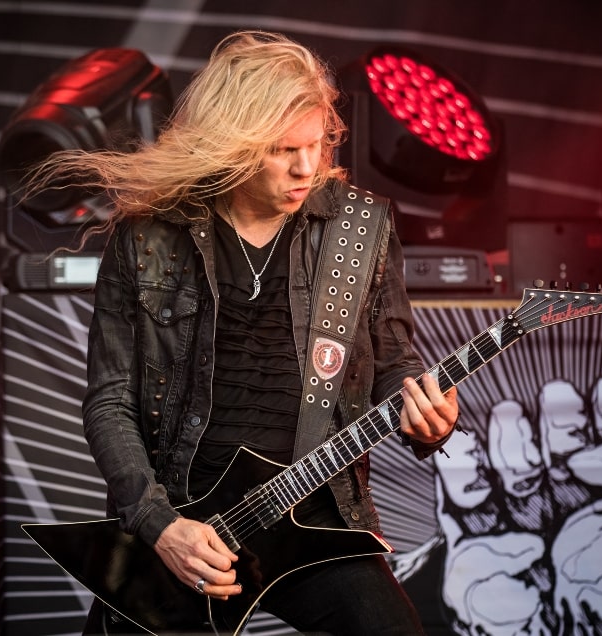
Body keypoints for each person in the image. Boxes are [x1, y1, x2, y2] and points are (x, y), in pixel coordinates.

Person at [38, 30, 459, 635]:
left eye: (315, 145)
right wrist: (161, 526)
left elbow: (394, 362)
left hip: (316, 515)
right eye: (283, 149)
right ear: (230, 147)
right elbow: (109, 402)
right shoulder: (148, 237)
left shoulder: (359, 227)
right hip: (187, 528)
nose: (306, 168)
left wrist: (429, 415)